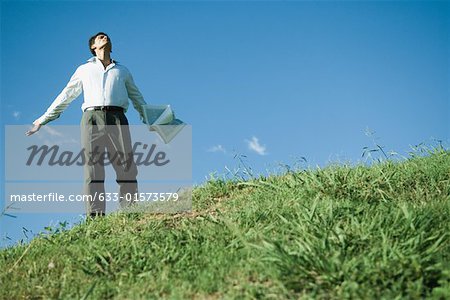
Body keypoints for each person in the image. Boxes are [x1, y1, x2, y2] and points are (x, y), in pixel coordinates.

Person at [26, 32, 148, 218]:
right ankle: (96, 218)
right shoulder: (84, 69)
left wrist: (151, 119)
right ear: (93, 47)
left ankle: (130, 213)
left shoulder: (122, 71)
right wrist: (42, 120)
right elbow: (66, 95)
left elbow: (137, 98)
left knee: (127, 167)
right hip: (91, 118)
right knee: (93, 169)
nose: (104, 37)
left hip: (117, 118)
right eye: (100, 37)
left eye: (106, 36)